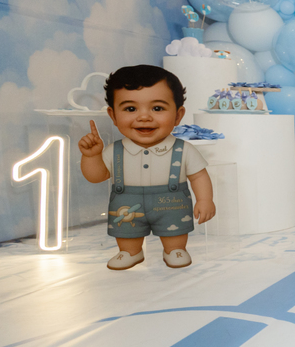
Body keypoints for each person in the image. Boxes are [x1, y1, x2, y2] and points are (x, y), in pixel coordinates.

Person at [78, 65, 215, 270]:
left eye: (157, 108)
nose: (144, 117)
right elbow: (96, 176)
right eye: (130, 109)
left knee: (175, 230)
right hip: (127, 204)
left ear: (178, 115)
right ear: (113, 116)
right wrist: (92, 156)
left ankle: (175, 249)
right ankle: (130, 251)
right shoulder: (114, 151)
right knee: (126, 231)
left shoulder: (183, 149)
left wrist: (205, 200)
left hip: (172, 204)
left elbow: (198, 176)